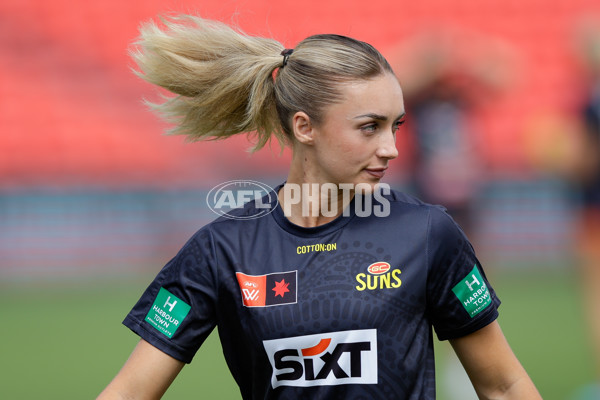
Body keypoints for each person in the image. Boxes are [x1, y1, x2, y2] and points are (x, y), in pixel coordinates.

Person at [98, 15, 541, 399]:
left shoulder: (429, 234)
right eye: (370, 127)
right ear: (305, 127)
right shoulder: (223, 248)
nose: (391, 148)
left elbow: (503, 386)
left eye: (396, 126)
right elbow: (131, 391)